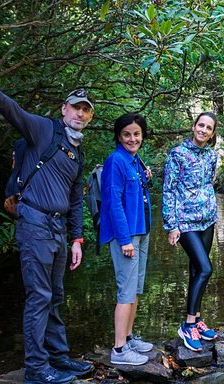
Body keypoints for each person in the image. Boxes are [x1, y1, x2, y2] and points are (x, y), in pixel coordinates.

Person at [0, 62, 93, 384]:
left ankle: (58, 356)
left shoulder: (77, 154)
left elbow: (77, 201)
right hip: (34, 223)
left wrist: (78, 239)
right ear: (64, 109)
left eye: (85, 111)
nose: (80, 114)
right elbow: (16, 113)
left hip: (58, 231)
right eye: (75, 108)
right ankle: (37, 368)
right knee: (39, 296)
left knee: (55, 295)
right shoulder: (44, 130)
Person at [100, 113, 154, 366]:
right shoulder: (116, 160)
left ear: (142, 136)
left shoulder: (134, 160)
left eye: (136, 134)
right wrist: (124, 240)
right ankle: (119, 350)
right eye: (127, 134)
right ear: (119, 136)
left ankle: (129, 337)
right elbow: (112, 202)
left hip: (140, 231)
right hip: (126, 235)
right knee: (125, 292)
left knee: (135, 290)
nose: (132, 138)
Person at [162, 112, 219, 352]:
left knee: (197, 270)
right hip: (186, 222)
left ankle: (196, 319)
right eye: (201, 125)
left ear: (212, 133)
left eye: (209, 128)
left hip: (207, 220)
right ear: (193, 127)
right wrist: (172, 224)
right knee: (206, 268)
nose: (203, 130)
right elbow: (168, 189)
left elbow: (209, 182)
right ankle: (187, 326)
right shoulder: (178, 154)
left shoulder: (212, 154)